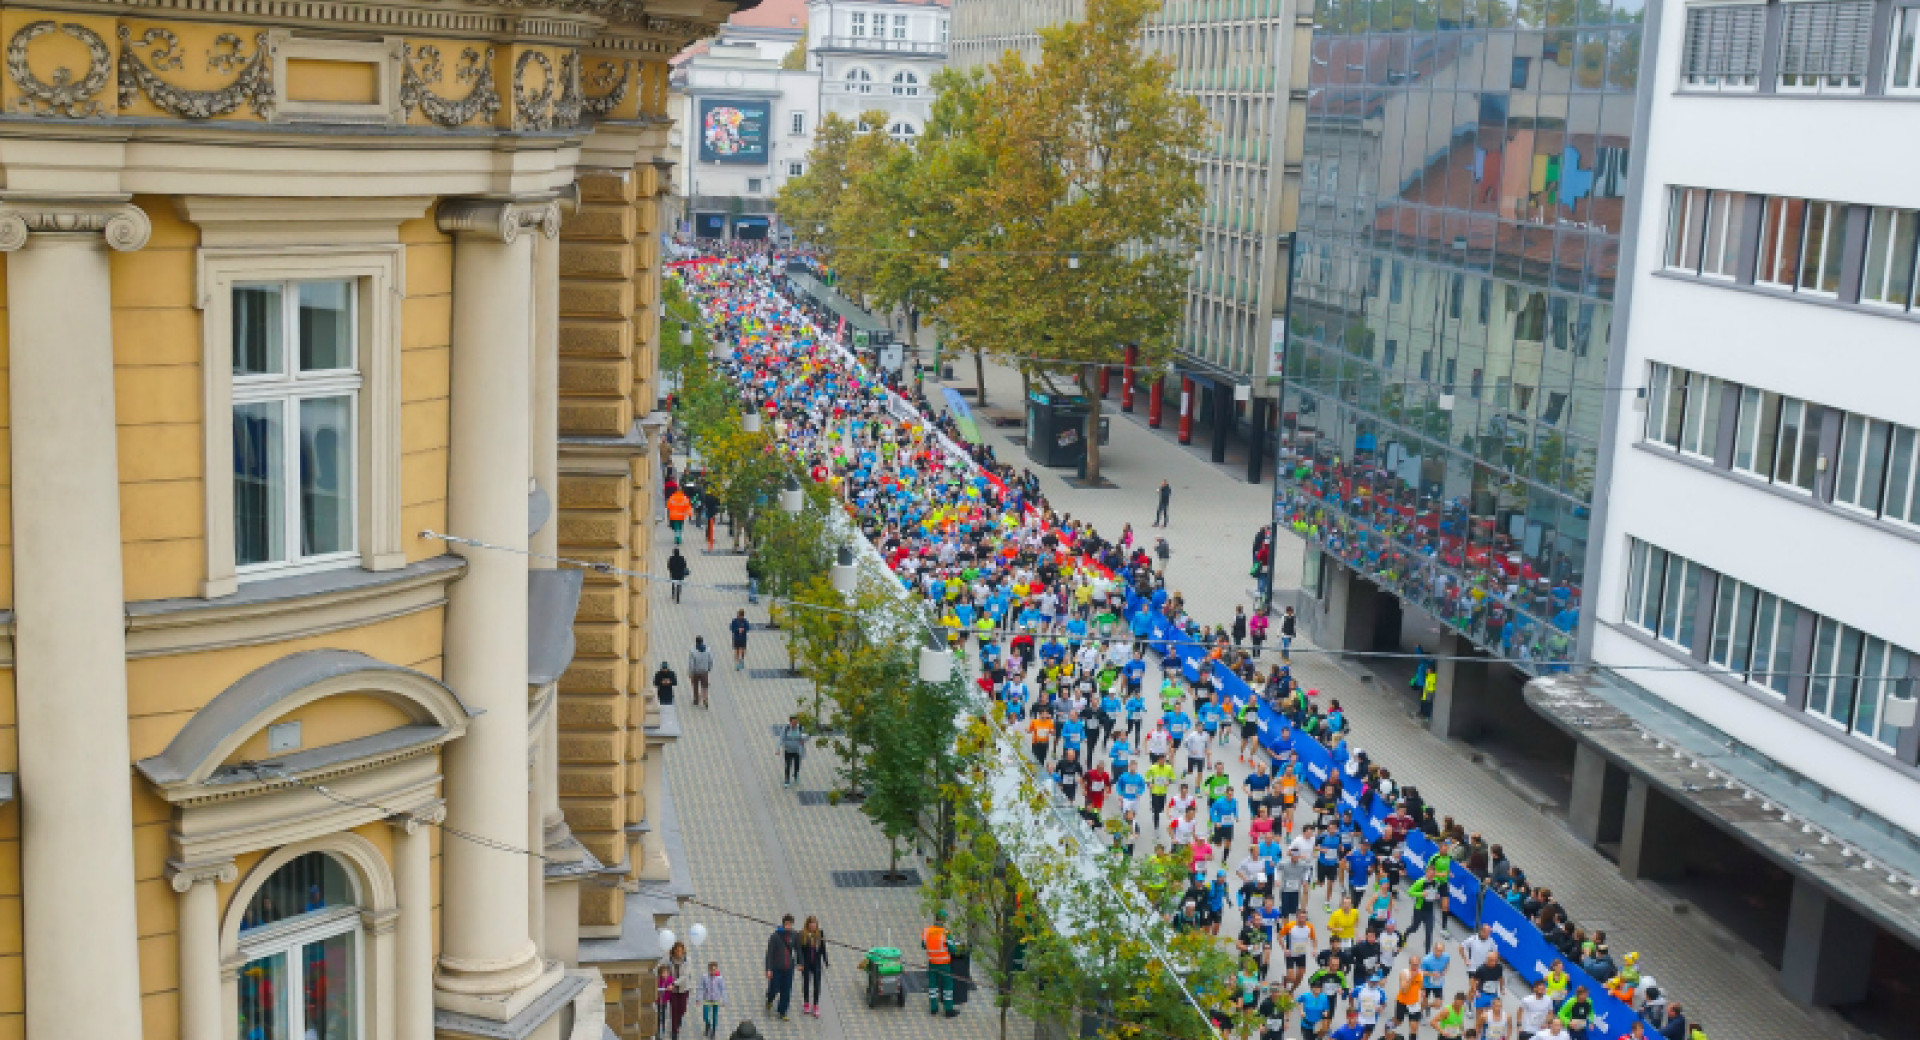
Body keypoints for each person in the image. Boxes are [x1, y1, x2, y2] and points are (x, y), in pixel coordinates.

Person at [923, 909, 958, 1017]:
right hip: (944, 964)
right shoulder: (946, 933)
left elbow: (923, 945)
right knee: (947, 986)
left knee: (933, 986)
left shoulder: (927, 931)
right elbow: (952, 949)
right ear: (943, 920)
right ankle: (948, 1010)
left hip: (932, 962)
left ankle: (933, 1008)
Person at [763, 915, 797, 1021]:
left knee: (786, 991)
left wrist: (800, 962)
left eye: (790, 924)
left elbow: (799, 950)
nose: (788, 926)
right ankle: (770, 999)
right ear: (783, 924)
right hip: (777, 968)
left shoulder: (794, 935)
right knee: (774, 988)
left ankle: (782, 1011)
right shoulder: (775, 936)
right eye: (787, 924)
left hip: (788, 968)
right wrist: (768, 969)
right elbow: (769, 954)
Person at [797, 915, 830, 1018]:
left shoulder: (819, 934)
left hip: (816, 963)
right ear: (807, 925)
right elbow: (800, 951)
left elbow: (823, 948)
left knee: (817, 984)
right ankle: (806, 1002)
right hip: (806, 963)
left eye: (814, 925)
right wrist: (800, 963)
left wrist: (825, 960)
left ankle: (815, 1005)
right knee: (806, 982)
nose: (813, 927)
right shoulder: (802, 934)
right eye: (811, 925)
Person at [663, 940, 693, 1040]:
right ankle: (674, 1031)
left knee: (682, 1009)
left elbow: (685, 976)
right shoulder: (669, 961)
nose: (679, 953)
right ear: (674, 951)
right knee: (674, 1010)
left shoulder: (687, 960)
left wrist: (674, 983)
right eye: (677, 950)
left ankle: (679, 1020)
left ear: (683, 951)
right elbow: (665, 972)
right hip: (673, 991)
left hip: (684, 989)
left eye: (681, 951)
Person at [697, 961, 727, 1038]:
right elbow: (700, 988)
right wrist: (698, 998)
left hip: (716, 1000)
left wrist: (724, 1000)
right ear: (708, 969)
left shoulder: (720, 978)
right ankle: (708, 1024)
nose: (713, 971)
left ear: (717, 969)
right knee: (705, 1016)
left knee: (715, 1016)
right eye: (711, 970)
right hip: (707, 999)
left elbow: (723, 989)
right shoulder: (704, 977)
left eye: (714, 970)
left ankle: (713, 1031)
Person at [777, 715, 807, 787]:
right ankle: (787, 779)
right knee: (788, 765)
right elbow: (781, 738)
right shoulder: (786, 728)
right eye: (793, 722)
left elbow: (806, 736)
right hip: (788, 750)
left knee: (797, 764)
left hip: (797, 750)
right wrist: (778, 749)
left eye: (796, 722)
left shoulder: (800, 728)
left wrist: (804, 740)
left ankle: (796, 775)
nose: (795, 723)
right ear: (790, 722)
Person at [688, 638, 715, 708]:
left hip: (696, 672)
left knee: (695, 686)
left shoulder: (693, 651)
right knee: (705, 686)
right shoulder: (708, 650)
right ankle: (705, 698)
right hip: (704, 671)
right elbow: (711, 660)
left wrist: (690, 672)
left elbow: (691, 663)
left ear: (696, 642)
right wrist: (709, 668)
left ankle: (696, 700)